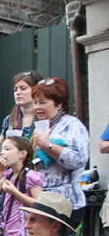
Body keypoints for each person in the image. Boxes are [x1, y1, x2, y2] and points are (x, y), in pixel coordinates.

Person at [31, 77, 89, 228]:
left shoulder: (72, 125)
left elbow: (78, 159)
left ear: (59, 103)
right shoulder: (39, 126)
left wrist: (47, 145)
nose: (37, 107)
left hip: (66, 204)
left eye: (43, 102)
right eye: (35, 102)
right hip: (42, 201)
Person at [0, 136, 42, 236]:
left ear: (22, 154)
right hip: (7, 229)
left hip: (22, 230)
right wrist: (0, 171)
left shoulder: (31, 176)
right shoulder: (8, 174)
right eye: (2, 149)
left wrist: (15, 192)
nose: (2, 152)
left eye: (7, 149)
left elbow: (39, 203)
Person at [0, 71, 43, 144]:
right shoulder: (9, 119)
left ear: (36, 90)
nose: (18, 92)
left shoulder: (44, 118)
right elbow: (0, 149)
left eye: (23, 88)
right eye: (15, 90)